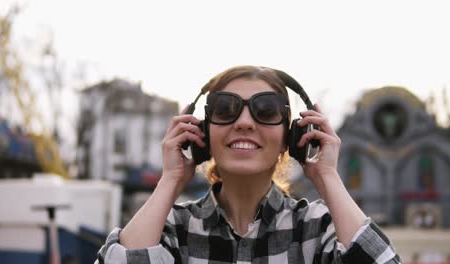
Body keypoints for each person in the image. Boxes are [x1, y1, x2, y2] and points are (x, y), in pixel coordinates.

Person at [96, 66, 402, 263]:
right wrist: (171, 179)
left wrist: (327, 176)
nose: (244, 122)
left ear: (291, 137)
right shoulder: (172, 228)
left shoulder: (318, 228)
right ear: (202, 132)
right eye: (225, 108)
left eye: (266, 111)